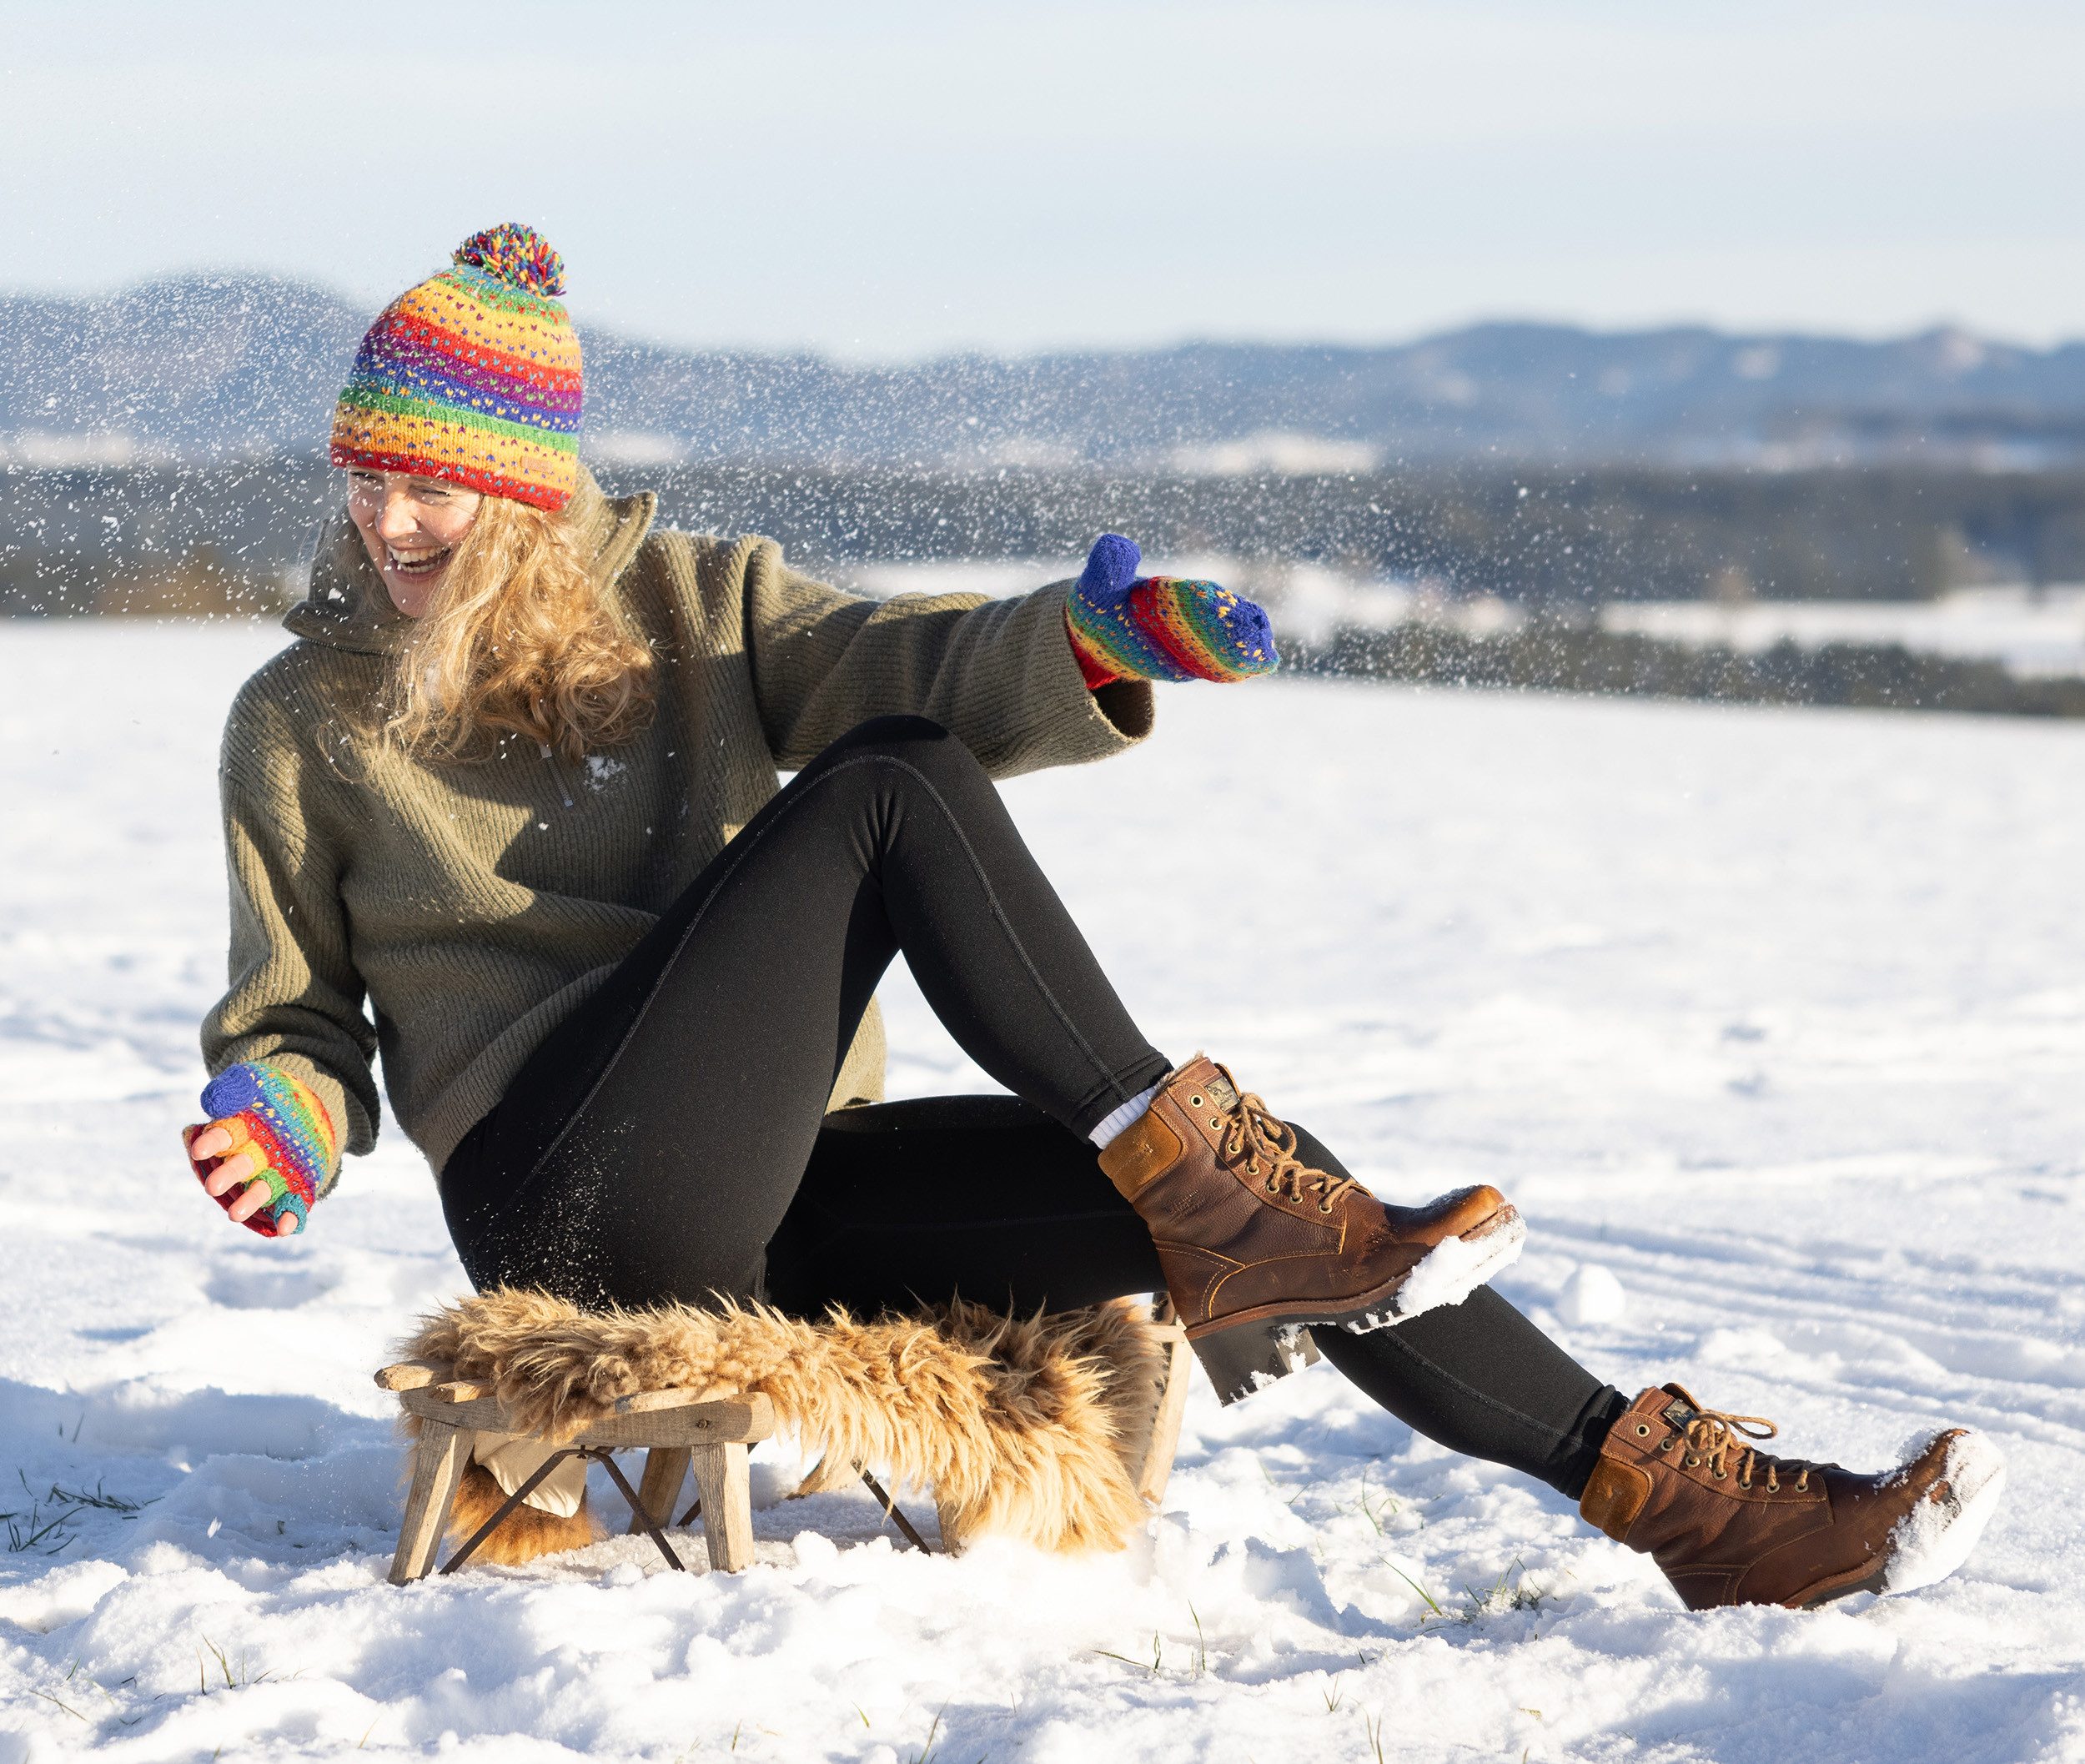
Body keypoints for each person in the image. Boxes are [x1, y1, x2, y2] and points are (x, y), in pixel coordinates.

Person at [184, 225, 2002, 1611]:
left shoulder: (695, 604)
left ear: (527, 497)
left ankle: (1705, 1514)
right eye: (366, 475)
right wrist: (285, 1109)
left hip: (775, 1197)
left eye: (431, 482)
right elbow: (294, 1013)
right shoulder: (300, 716)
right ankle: (1184, 1152)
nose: (388, 517)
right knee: (895, 794)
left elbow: (901, 659)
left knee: (1291, 1218)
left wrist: (1076, 643)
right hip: (562, 1203)